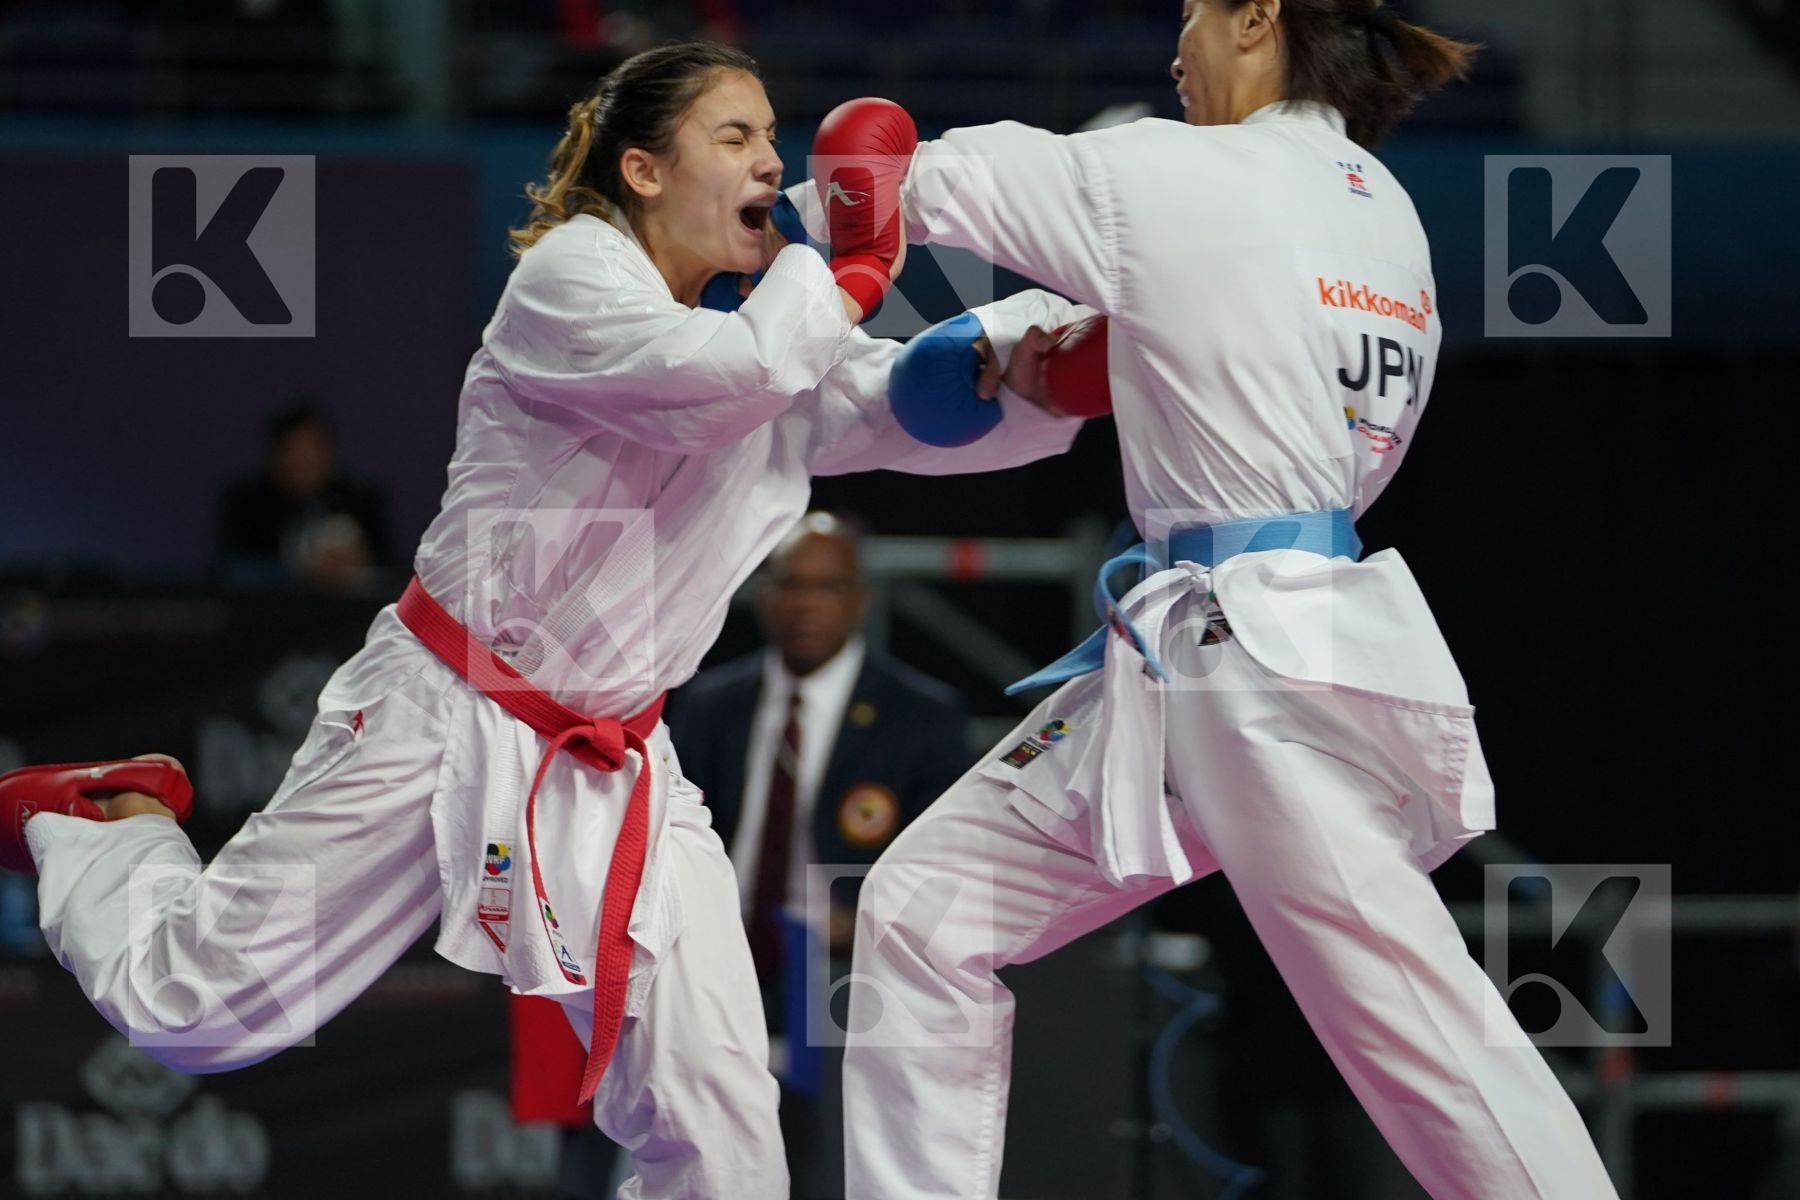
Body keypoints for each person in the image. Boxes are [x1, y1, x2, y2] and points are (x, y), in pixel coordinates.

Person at [0, 42, 1086, 1200]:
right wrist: (859, 267)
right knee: (196, 1009)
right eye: (736, 138)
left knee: (721, 1130)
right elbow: (741, 372)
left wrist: (1044, 361)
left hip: (620, 765)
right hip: (443, 714)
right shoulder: (573, 281)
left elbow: (897, 400)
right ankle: (101, 817)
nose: (775, 160)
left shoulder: (769, 341)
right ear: (645, 171)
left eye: (776, 139)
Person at [841, 4, 1622, 1199]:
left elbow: (910, 175)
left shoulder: (1180, 169)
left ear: (1259, 15)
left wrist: (785, 210)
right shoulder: (1384, 212)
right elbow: (1253, 362)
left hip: (1250, 667)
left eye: (1195, 14)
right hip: (1225, 641)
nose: (1173, 49)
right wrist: (1054, 360)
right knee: (924, 909)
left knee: (1418, 1026)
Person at [215, 399, 390, 589]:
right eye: (295, 448)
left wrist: (359, 566)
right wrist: (304, 572)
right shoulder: (246, 503)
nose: (306, 460)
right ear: (275, 454)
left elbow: (391, 569)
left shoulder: (360, 498)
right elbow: (229, 572)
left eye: (315, 448)